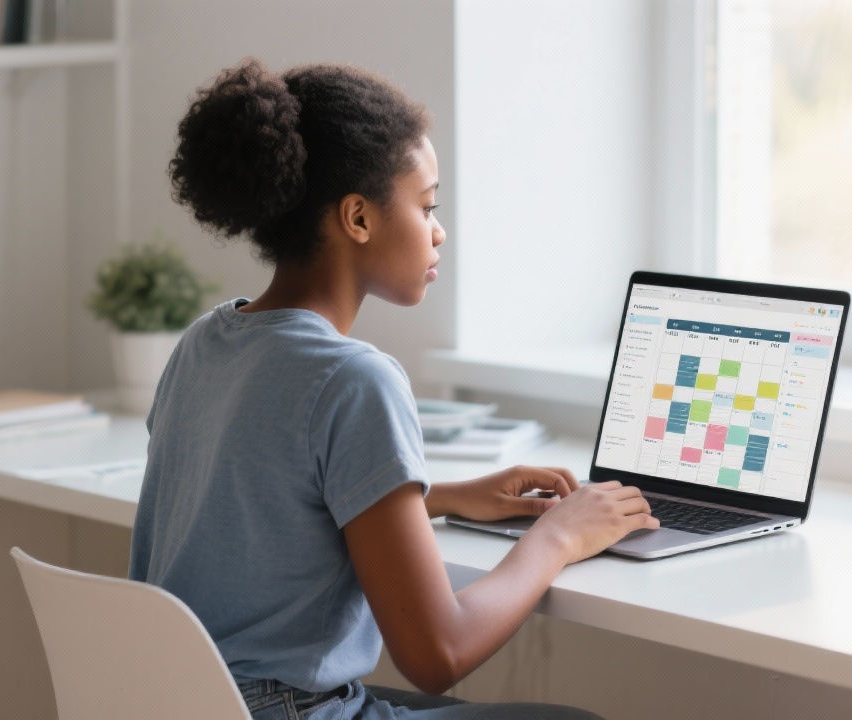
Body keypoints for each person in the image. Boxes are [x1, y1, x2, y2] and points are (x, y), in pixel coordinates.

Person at [129, 58, 659, 720]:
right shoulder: (355, 379)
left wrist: (437, 498)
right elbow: (438, 653)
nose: (439, 231)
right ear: (357, 217)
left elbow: (260, 505)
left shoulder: (202, 344)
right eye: (427, 205)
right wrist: (561, 537)